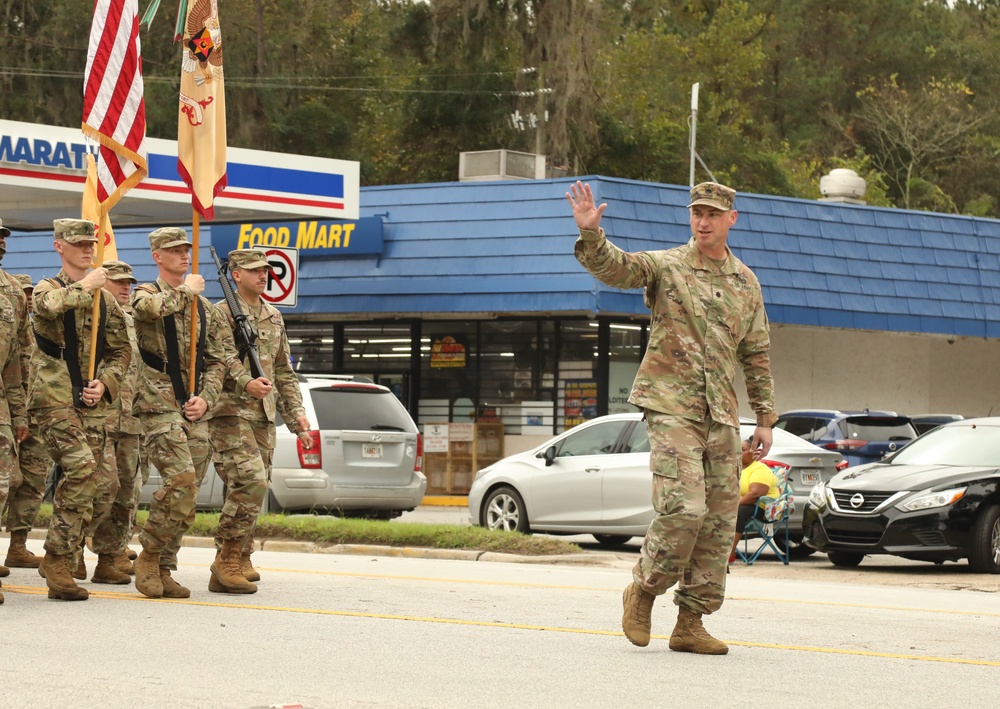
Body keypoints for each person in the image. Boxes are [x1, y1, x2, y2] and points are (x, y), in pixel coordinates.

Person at [567, 180, 778, 654]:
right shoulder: (667, 266)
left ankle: (690, 622)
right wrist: (592, 236)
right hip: (669, 404)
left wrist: (764, 416)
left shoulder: (746, 282)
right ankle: (642, 590)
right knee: (686, 509)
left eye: (712, 213)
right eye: (696, 212)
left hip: (721, 413)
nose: (702, 221)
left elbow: (757, 352)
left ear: (731, 219)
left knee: (721, 521)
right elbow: (619, 269)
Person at [30, 218, 131, 601]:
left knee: (105, 485)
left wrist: (104, 382)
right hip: (53, 400)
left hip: (92, 403)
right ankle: (57, 558)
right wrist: (85, 286)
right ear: (59, 246)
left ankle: (69, 549)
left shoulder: (106, 299)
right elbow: (49, 307)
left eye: (91, 242)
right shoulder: (48, 288)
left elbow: (122, 350)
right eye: (78, 243)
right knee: (81, 468)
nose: (88, 248)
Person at [131, 227, 231, 599]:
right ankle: (149, 554)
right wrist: (187, 290)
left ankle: (165, 565)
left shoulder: (205, 308)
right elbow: (147, 311)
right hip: (157, 404)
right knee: (181, 481)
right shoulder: (147, 293)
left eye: (186, 249)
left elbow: (220, 360)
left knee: (189, 494)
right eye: (174, 250)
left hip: (195, 409)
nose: (183, 255)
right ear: (157, 256)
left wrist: (206, 396)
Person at [207, 248, 311, 594]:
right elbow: (219, 354)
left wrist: (297, 416)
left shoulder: (273, 316)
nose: (263, 275)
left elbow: (283, 370)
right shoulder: (220, 312)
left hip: (263, 414)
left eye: (265, 270)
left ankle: (241, 553)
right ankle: (227, 557)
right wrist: (244, 381)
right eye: (254, 270)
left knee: (254, 485)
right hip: (230, 411)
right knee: (251, 481)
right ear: (235, 274)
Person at [88, 261, 142, 583]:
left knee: (126, 493)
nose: (127, 287)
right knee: (95, 490)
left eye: (129, 283)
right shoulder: (92, 318)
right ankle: (70, 552)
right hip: (99, 416)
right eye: (119, 282)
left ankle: (109, 558)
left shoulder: (135, 323)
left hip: (130, 419)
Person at [3, 274, 54, 573]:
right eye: (22, 293)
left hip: (32, 410)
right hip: (9, 406)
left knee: (33, 480)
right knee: (6, 481)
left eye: (29, 295)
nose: (26, 299)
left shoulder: (42, 328)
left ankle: (18, 545)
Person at [0, 221, 29, 604]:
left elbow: (16, 361)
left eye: (3, 238)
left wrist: (20, 414)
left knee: (2, 485)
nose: (1, 243)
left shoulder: (11, 291)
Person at [729, 437, 781, 563]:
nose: (738, 453)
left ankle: (730, 552)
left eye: (743, 450)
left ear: (754, 452)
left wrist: (732, 506)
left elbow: (755, 494)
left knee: (740, 511)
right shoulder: (736, 468)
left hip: (763, 508)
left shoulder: (760, 469)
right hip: (742, 504)